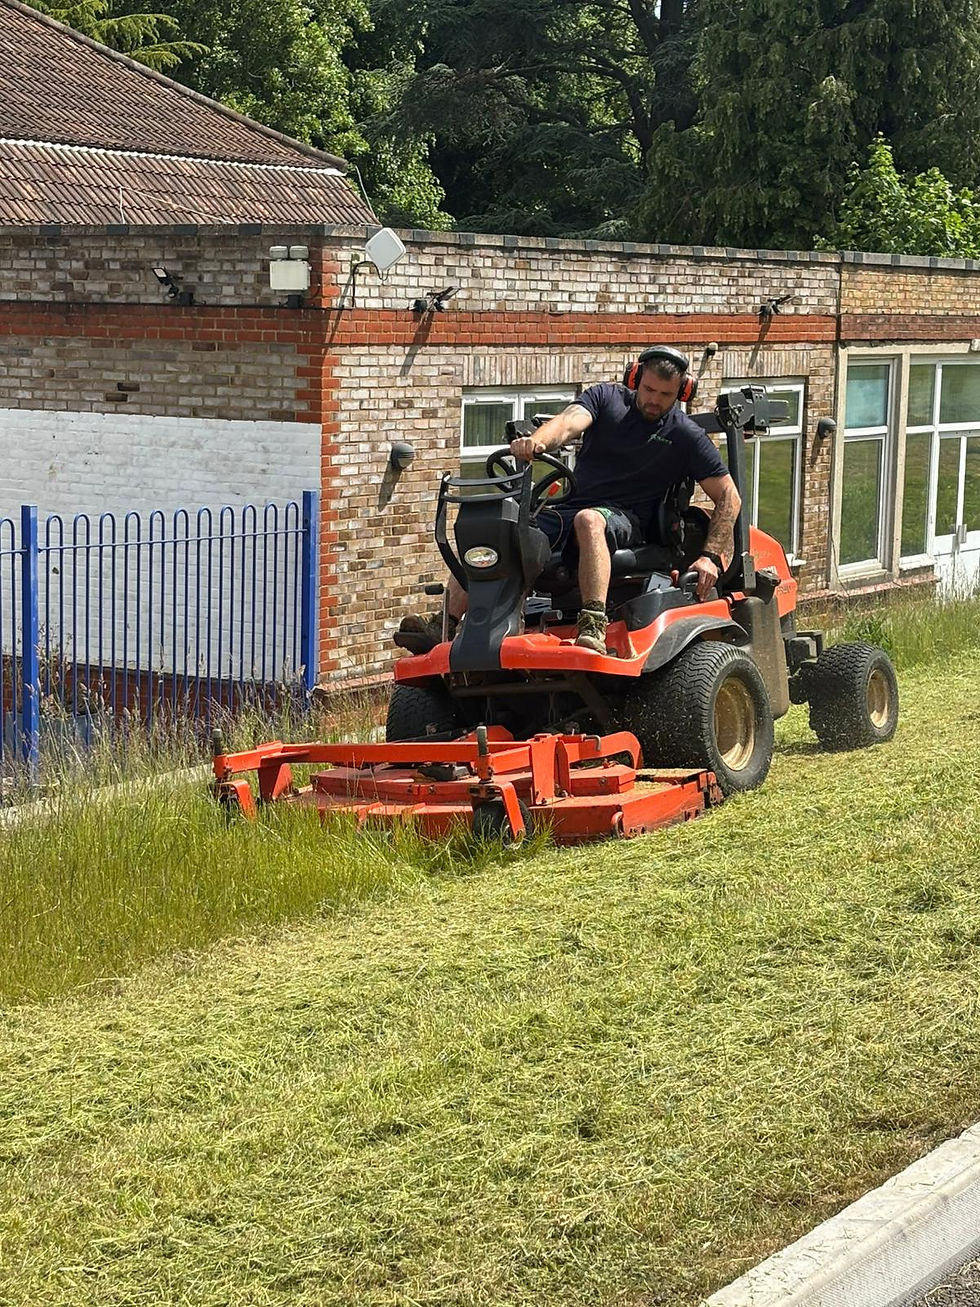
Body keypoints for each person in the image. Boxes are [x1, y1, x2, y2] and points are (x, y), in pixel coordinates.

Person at [397, 347, 741, 655]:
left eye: (665, 395)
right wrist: (538, 442)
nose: (654, 400)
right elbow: (568, 422)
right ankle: (446, 624)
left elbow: (729, 496)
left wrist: (711, 556)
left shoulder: (685, 435)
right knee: (499, 529)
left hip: (628, 522)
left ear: (682, 392)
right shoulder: (607, 399)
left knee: (590, 520)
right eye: (649, 389)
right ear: (636, 379)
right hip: (572, 508)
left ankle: (593, 624)